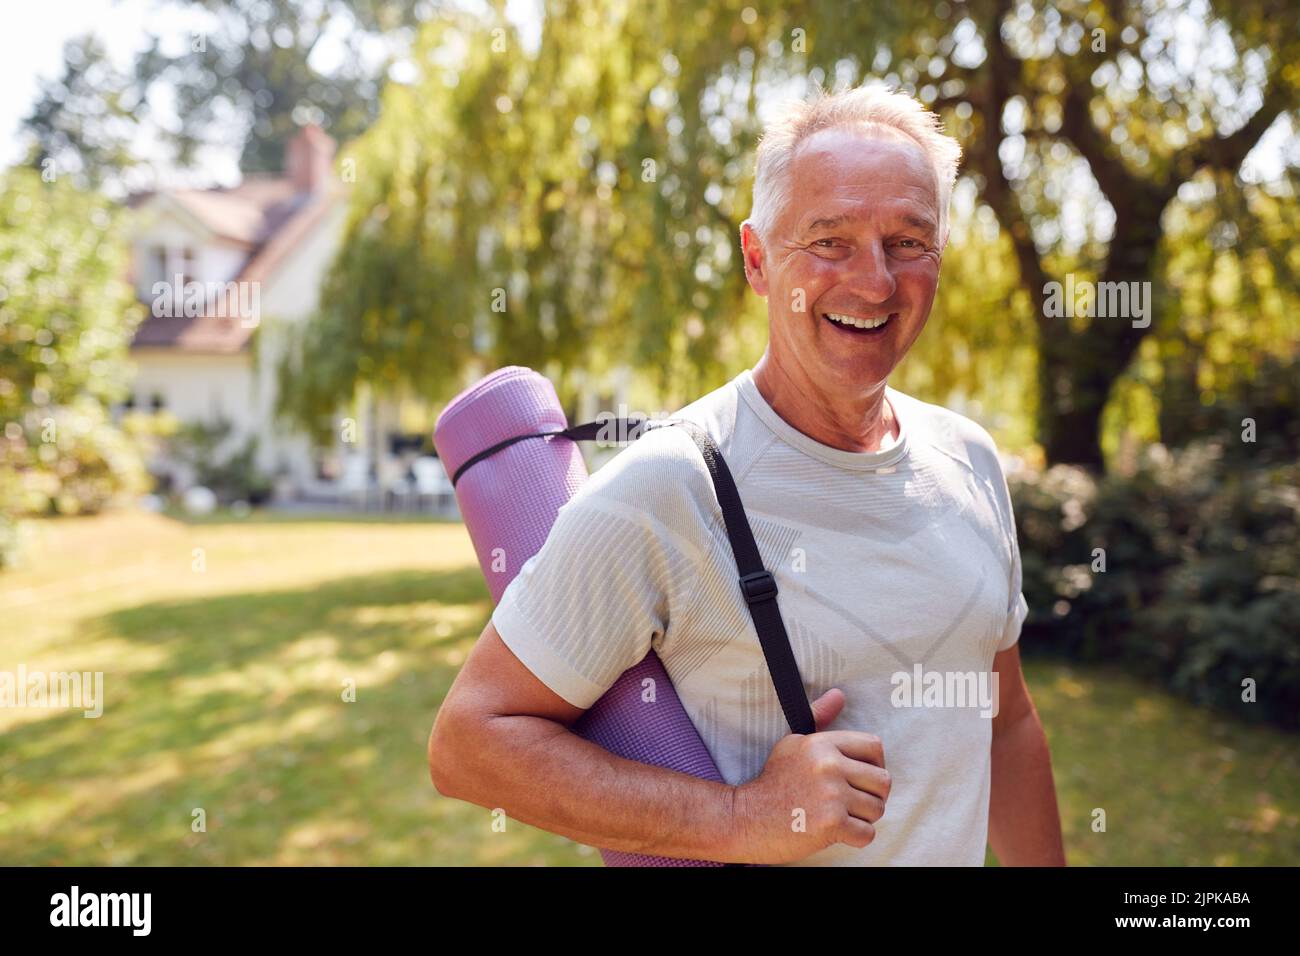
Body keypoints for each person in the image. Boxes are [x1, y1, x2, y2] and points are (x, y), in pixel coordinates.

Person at [428, 83, 1066, 866]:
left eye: (908, 242)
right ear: (759, 262)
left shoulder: (969, 459)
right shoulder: (670, 487)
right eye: (829, 242)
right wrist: (744, 815)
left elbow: (1005, 724)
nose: (874, 282)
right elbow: (469, 743)